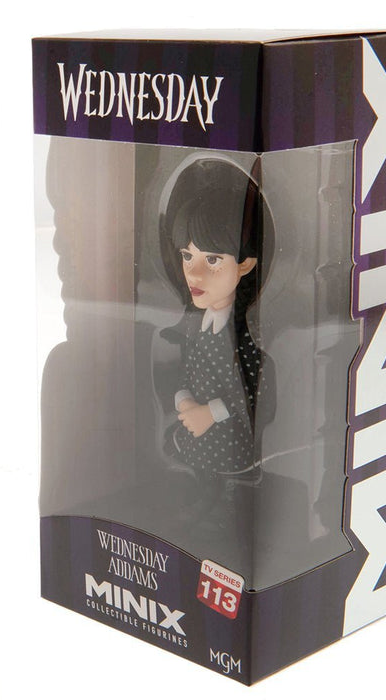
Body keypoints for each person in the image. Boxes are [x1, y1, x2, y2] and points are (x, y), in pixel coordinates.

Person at [160, 157, 275, 535]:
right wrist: (183, 400)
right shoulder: (198, 327)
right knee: (200, 485)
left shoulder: (245, 338)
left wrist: (209, 413)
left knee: (227, 499)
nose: (194, 273)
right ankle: (203, 510)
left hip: (227, 442)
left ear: (245, 264)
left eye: (212, 259)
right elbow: (188, 371)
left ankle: (225, 521)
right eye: (187, 256)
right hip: (196, 436)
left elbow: (253, 394)